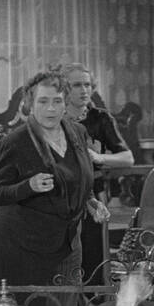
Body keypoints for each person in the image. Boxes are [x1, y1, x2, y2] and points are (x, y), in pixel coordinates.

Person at [0, 70, 109, 306]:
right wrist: (28, 186)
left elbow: (81, 179)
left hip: (68, 244)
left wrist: (91, 202)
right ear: (30, 103)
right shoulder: (16, 142)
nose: (51, 108)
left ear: (66, 102)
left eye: (57, 101)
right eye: (43, 101)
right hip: (24, 247)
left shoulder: (77, 132)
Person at [62, 63, 134, 286]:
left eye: (88, 85)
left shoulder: (100, 118)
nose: (84, 90)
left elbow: (128, 158)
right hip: (62, 197)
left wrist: (98, 157)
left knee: (94, 256)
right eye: (77, 85)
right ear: (65, 89)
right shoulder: (55, 117)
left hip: (95, 195)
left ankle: (95, 301)